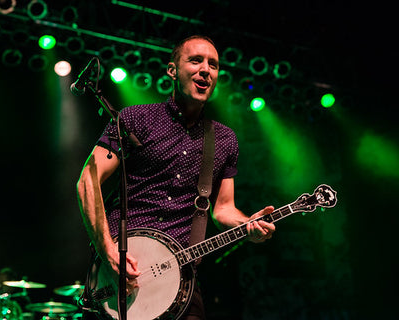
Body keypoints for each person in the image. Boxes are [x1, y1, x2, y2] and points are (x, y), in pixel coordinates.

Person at [76, 35, 276, 320]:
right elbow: (87, 181)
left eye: (214, 65)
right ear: (172, 70)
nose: (206, 69)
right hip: (122, 269)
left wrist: (248, 224)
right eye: (195, 61)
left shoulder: (225, 140)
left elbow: (223, 209)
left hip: (180, 278)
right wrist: (107, 250)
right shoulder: (135, 119)